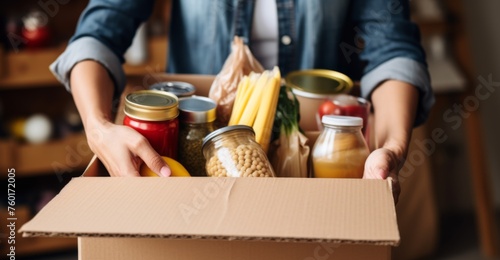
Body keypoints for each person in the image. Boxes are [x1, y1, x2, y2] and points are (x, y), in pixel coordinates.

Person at [50, 0, 434, 203]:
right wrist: (98, 129)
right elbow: (96, 35)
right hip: (193, 143)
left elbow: (392, 50)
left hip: (314, 148)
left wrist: (393, 149)